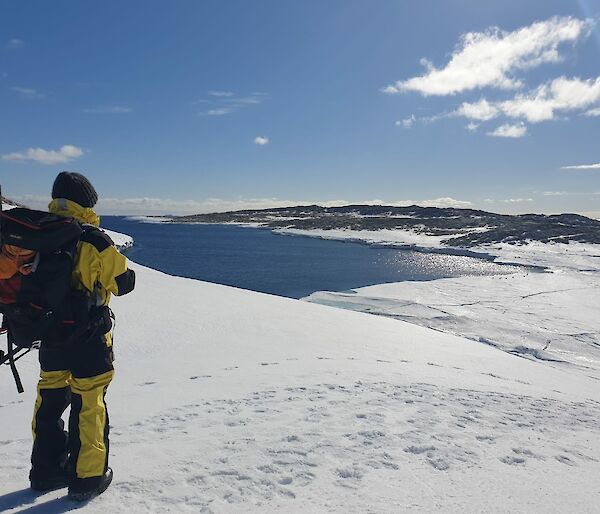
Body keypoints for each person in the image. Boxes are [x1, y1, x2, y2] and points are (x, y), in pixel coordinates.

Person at [29, 172, 135, 501]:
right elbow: (123, 282)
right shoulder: (94, 239)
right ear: (87, 202)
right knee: (89, 402)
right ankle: (87, 477)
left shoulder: (38, 234)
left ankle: (46, 471)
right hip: (88, 338)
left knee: (49, 399)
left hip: (49, 336)